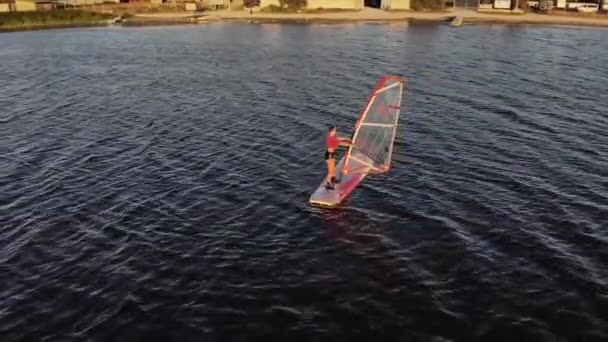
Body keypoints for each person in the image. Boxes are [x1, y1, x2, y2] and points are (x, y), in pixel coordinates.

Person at [325, 125, 353, 190]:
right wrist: (351, 145)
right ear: (332, 131)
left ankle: (333, 179)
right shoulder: (331, 138)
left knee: (332, 169)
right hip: (329, 155)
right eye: (335, 130)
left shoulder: (330, 136)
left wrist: (346, 138)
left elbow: (338, 138)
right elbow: (342, 144)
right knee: (331, 171)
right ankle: (328, 184)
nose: (336, 131)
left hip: (330, 154)